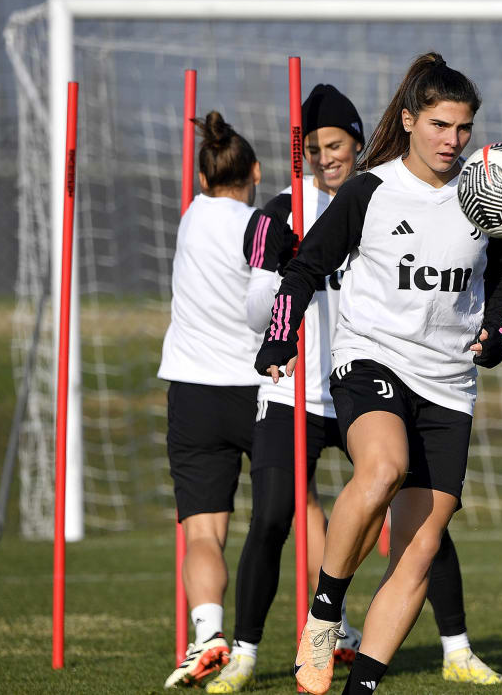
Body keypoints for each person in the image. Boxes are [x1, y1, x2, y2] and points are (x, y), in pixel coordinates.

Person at [208, 83, 502, 692]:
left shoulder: (487, 191)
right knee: (382, 468)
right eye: (440, 125)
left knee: (420, 549)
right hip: (373, 358)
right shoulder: (371, 190)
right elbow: (306, 267)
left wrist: (497, 331)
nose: (452, 140)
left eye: (464, 128)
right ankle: (324, 614)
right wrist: (280, 337)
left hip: (449, 383)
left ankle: (361, 685)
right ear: (410, 120)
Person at [158, 111, 292, 688]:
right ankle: (331, 629)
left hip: (191, 392)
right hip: (257, 386)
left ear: (201, 178)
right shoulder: (259, 225)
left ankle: (207, 632)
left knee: (203, 532)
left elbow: (208, 190)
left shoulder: (190, 216)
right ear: (256, 171)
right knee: (299, 512)